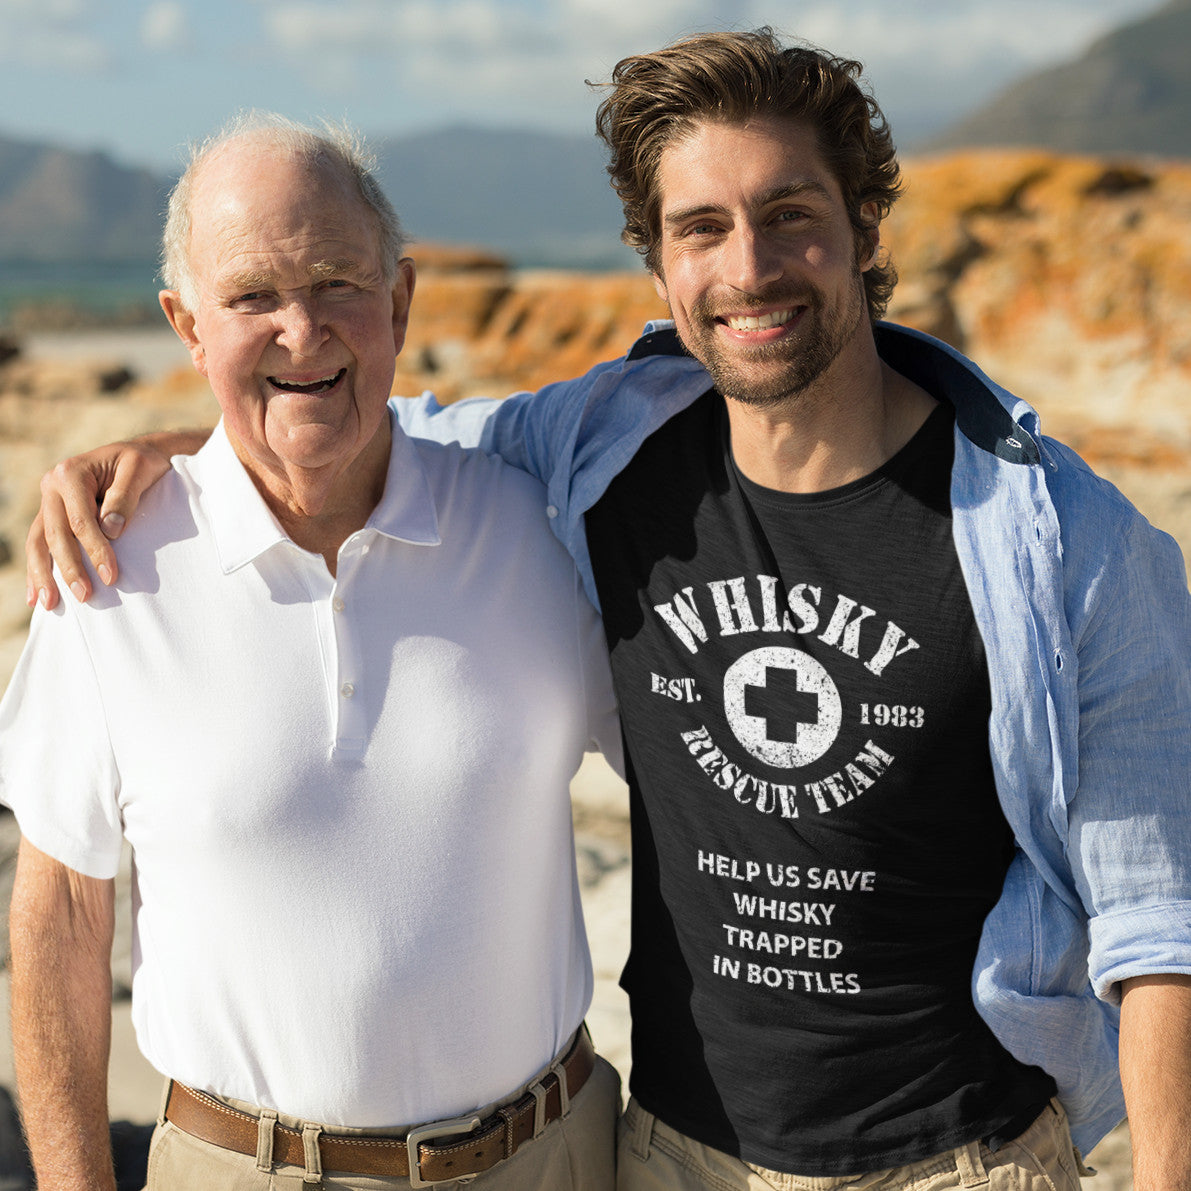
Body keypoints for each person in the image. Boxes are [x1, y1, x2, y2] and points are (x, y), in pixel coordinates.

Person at [25, 29, 1191, 1191]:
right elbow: (357, 425)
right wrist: (187, 454)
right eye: (701, 229)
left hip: (950, 1163)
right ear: (659, 262)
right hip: (669, 1159)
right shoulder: (607, 461)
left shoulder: (1064, 547)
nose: (750, 267)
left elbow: (1160, 926)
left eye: (790, 213)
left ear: (866, 229)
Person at [0, 114, 624, 1191]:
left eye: (338, 280)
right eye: (250, 298)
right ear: (187, 328)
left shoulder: (537, 530)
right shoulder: (103, 574)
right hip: (244, 1172)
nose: (301, 331)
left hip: (553, 1156)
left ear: (399, 301)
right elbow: (59, 916)